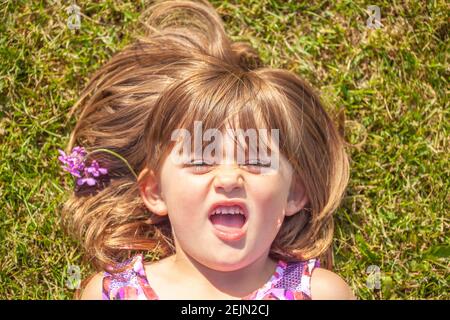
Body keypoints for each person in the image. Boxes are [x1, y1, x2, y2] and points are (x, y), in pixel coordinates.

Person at [59, 0, 356, 300]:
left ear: (293, 194)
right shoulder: (112, 293)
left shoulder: (320, 293)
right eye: (201, 160)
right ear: (155, 192)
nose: (229, 179)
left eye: (255, 161)